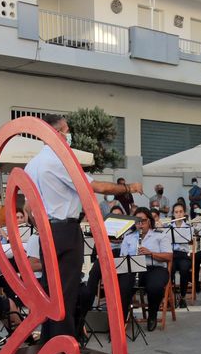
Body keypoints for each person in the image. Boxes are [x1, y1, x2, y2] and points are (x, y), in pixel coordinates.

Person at [22, 114, 138, 341]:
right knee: (66, 291)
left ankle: (50, 341)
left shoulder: (32, 163)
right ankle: (63, 346)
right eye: (66, 129)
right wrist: (129, 187)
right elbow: (96, 186)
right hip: (65, 230)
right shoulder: (58, 160)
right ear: (57, 133)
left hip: (47, 231)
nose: (69, 134)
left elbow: (27, 205)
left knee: (51, 290)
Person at [164, 202, 194, 298]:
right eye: (176, 212)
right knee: (170, 270)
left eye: (181, 212)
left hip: (183, 255)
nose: (179, 214)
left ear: (184, 213)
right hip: (171, 255)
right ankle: (170, 296)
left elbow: (189, 240)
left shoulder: (188, 227)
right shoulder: (168, 227)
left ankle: (183, 296)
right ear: (173, 214)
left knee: (184, 269)